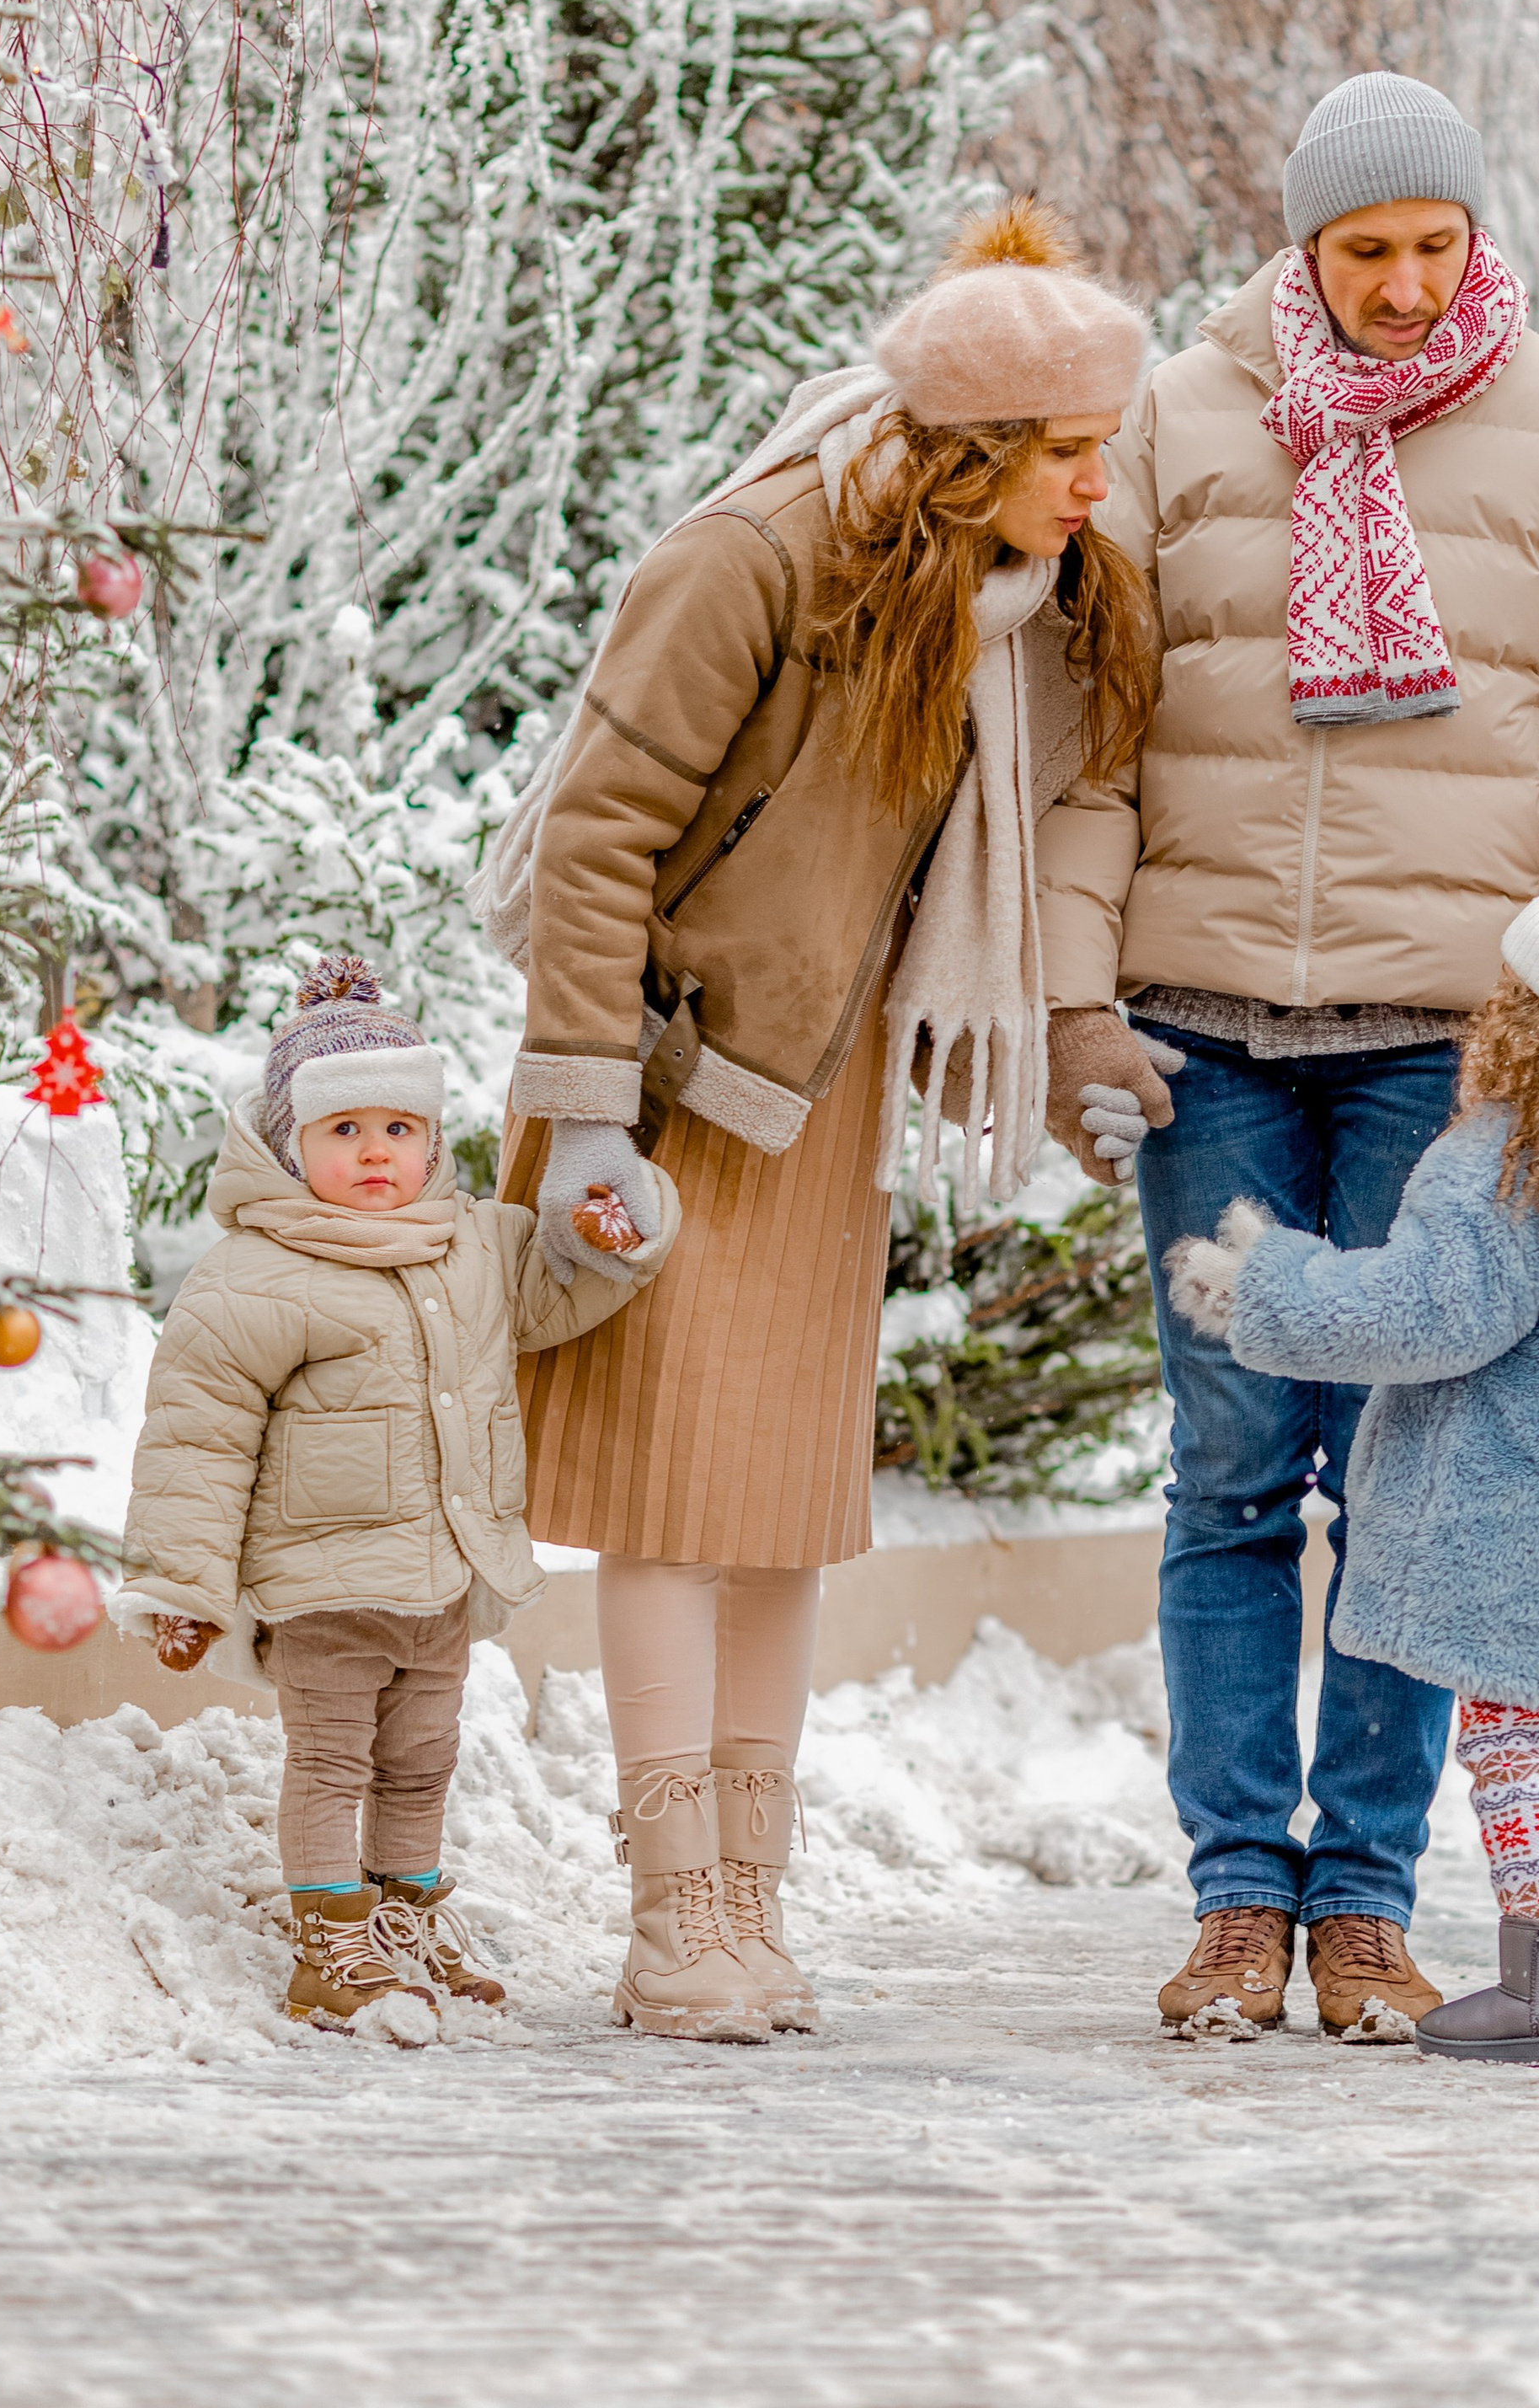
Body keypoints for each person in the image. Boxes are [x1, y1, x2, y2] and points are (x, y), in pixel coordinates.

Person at [1036, 70, 1539, 2041]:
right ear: (1302, 246)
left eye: (1432, 244)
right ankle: (1235, 1895)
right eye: (1365, 250)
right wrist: (1079, 993)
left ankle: (1365, 1901)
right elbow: (1099, 740)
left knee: (1421, 1484)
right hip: (1207, 1026)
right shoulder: (1178, 419)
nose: (1404, 285)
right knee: (1237, 1469)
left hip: (1457, 1044)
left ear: (1471, 235)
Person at [487, 201, 1152, 2043]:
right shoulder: (755, 555)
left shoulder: (1004, 605)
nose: (1101, 483)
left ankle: (748, 1901)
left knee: (776, 1516)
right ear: (970, 453)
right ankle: (669, 1915)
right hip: (679, 1091)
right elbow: (596, 835)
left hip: (825, 1098)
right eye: (1069, 450)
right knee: (669, 1515)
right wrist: (591, 1113)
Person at [1165, 822, 1539, 2063]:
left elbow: (1431, 1309)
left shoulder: (1525, 1152)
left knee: (1510, 1745)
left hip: (1514, 1505)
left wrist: (1264, 1285)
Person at [117, 956, 676, 2038]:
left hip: (445, 1575)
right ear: (291, 1146)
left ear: (431, 1139)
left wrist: (613, 1240)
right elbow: (196, 1440)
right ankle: (329, 1944)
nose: (377, 1152)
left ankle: (404, 1915)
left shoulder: (475, 1245)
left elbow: (559, 1288)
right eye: (343, 1132)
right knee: (330, 1760)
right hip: (323, 1580)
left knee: (423, 1759)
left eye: (399, 1129)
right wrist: (182, 1585)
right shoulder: (255, 1277)